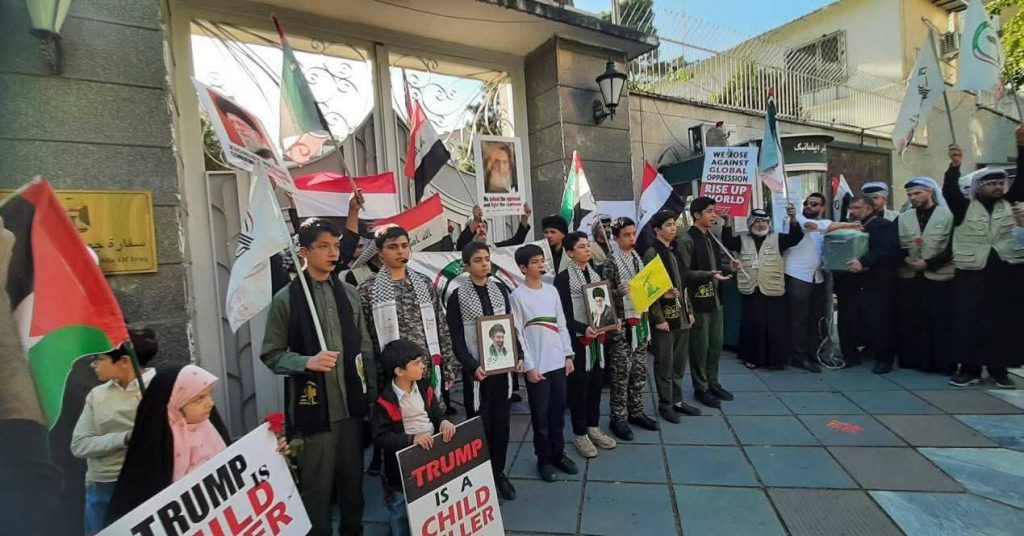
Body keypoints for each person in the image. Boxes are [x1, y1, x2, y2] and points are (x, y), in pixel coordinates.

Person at [260, 217, 377, 536]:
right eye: (323, 246)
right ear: (305, 252)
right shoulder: (287, 299)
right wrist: (306, 361)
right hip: (314, 414)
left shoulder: (350, 294)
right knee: (316, 492)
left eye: (336, 246)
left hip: (351, 409)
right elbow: (271, 354)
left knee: (353, 487)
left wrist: (371, 394)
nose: (332, 253)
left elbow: (364, 347)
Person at [943, 133, 1024, 388]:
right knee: (969, 322)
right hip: (971, 275)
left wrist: (1021, 147)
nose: (998, 187)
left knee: (1003, 322)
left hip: (1005, 274)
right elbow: (949, 192)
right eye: (992, 184)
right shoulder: (963, 208)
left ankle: (999, 370)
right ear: (979, 187)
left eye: (1001, 183)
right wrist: (954, 166)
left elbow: (1022, 180)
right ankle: (970, 369)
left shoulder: (1009, 204)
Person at [104, 365, 231, 523]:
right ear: (175, 404)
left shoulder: (210, 427)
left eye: (209, 395)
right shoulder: (157, 444)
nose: (210, 404)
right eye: (199, 399)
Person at [445, 242, 520, 500]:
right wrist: (471, 365)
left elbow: (509, 327)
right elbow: (457, 338)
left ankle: (498, 472)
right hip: (476, 374)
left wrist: (517, 356)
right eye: (478, 260)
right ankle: (480, 474)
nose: (484, 264)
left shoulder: (500, 289)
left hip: (501, 372)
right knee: (478, 425)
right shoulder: (457, 296)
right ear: (466, 266)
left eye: (487, 259)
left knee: (502, 425)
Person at [359, 225, 458, 408]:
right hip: (391, 373)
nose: (400, 251)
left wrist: (448, 365)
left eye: (404, 246)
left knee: (431, 417)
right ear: (380, 253)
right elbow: (364, 337)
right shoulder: (368, 289)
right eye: (393, 247)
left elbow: (440, 326)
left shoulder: (424, 283)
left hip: (425, 368)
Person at [71, 328, 158, 534]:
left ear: (124, 361)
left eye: (99, 359)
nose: (93, 365)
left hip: (146, 482)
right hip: (102, 486)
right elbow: (79, 445)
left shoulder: (160, 387)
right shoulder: (97, 395)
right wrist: (125, 438)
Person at [371, 340, 456, 536]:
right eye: (417, 363)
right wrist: (410, 440)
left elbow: (436, 411)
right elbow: (380, 436)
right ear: (399, 371)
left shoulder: (425, 386)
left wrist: (444, 421)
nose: (423, 366)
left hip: (431, 456)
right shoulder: (384, 401)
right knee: (399, 509)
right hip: (400, 467)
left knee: (430, 503)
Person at [510, 244, 578, 481]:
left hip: (558, 362)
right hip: (537, 367)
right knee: (540, 418)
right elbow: (518, 333)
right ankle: (544, 459)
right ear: (523, 268)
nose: (541, 265)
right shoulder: (517, 296)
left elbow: (561, 324)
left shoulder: (551, 291)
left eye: (542, 261)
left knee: (558, 414)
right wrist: (529, 366)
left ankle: (559, 454)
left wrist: (568, 355)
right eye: (535, 262)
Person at [554, 232, 617, 458]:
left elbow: (604, 305)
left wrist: (611, 321)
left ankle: (593, 427)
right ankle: (580, 433)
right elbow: (562, 316)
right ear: (570, 253)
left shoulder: (595, 273)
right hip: (578, 342)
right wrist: (582, 328)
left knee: (596, 385)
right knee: (579, 388)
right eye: (581, 247)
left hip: (598, 341)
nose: (587, 249)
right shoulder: (563, 279)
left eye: (587, 245)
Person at [722, 207, 803, 370]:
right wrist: (727, 221)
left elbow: (796, 237)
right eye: (757, 221)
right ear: (751, 223)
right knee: (752, 325)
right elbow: (727, 242)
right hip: (751, 289)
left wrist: (793, 219)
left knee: (774, 326)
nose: (761, 225)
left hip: (772, 289)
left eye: (764, 221)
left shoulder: (778, 238)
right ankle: (752, 358)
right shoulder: (742, 239)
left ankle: (775, 360)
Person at [679, 197, 738, 408]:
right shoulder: (687, 239)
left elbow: (717, 265)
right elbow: (683, 273)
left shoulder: (711, 236)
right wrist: (708, 274)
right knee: (700, 347)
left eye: (714, 211)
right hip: (697, 301)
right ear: (697, 215)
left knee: (715, 344)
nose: (714, 215)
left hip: (715, 299)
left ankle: (713, 382)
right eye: (710, 211)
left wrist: (729, 267)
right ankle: (701, 387)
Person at [643, 210, 701, 422]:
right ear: (657, 230)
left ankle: (677, 400)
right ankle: (665, 403)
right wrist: (658, 319)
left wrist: (690, 311)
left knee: (679, 362)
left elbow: (683, 283)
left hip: (682, 314)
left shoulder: (675, 250)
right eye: (667, 225)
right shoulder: (652, 253)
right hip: (665, 318)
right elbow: (649, 289)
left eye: (673, 224)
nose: (673, 228)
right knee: (664, 362)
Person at [833, 194, 901, 374]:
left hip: (873, 283)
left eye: (856, 208)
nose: (852, 212)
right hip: (849, 283)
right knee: (847, 321)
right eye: (851, 208)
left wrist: (864, 262)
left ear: (869, 209)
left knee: (878, 322)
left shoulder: (882, 226)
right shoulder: (848, 226)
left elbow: (885, 250)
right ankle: (850, 355)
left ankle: (884, 359)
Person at [603, 217, 658, 440]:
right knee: (621, 372)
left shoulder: (636, 257)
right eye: (626, 235)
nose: (632, 238)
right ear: (616, 238)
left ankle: (636, 411)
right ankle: (618, 417)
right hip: (621, 323)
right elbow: (602, 292)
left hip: (640, 318)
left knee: (639, 369)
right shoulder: (611, 260)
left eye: (633, 233)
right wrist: (618, 292)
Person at [895, 177, 956, 374]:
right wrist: (906, 260)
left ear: (930, 192)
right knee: (913, 321)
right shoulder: (904, 217)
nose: (913, 198)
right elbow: (895, 245)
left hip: (939, 277)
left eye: (917, 193)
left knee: (940, 322)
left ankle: (940, 363)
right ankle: (915, 361)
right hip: (911, 277)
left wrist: (929, 264)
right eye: (910, 195)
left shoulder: (948, 215)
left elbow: (953, 246)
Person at [455, 203, 533, 251]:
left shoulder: (494, 248)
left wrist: (524, 218)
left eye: (484, 226)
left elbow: (517, 240)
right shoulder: (465, 249)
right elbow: (461, 245)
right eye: (477, 227)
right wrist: (476, 220)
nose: (481, 229)